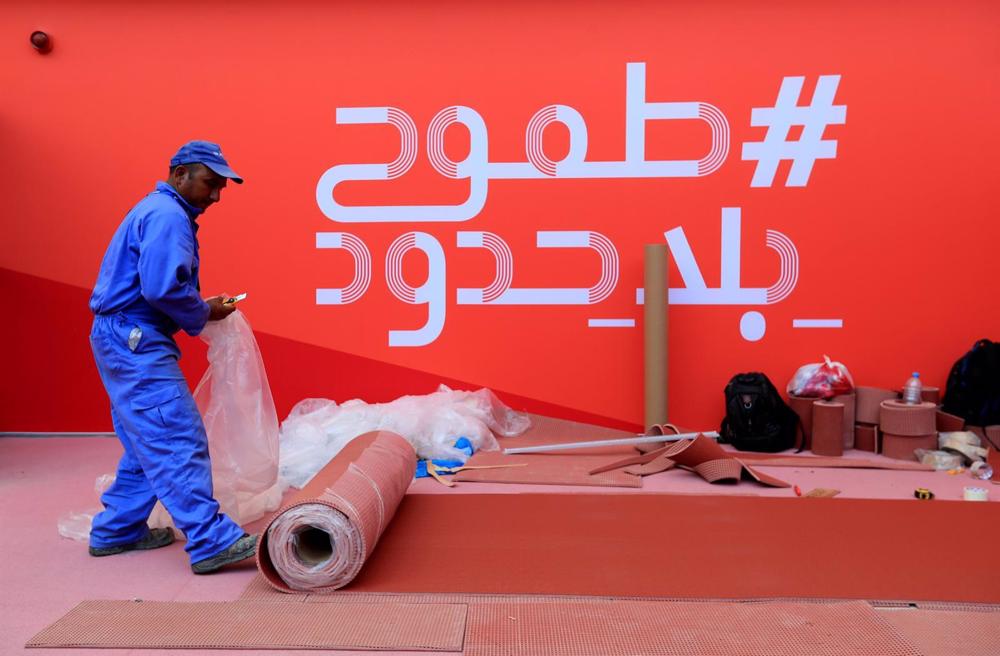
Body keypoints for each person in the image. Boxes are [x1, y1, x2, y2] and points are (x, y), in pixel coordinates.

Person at [87, 140, 257, 574]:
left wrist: (200, 307)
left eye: (222, 187)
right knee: (176, 436)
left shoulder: (158, 210)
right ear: (179, 173)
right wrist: (204, 311)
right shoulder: (167, 215)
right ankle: (211, 540)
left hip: (123, 336)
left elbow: (161, 284)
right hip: (135, 339)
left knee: (147, 439)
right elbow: (162, 288)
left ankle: (117, 529)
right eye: (210, 183)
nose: (216, 196)